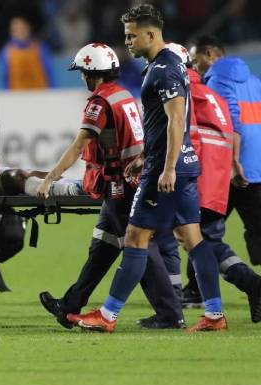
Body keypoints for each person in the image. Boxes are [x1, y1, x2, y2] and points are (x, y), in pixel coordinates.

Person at [67, 4, 226, 333]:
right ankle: (214, 313)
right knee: (192, 238)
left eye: (131, 35)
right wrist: (147, 157)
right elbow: (164, 123)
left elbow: (177, 117)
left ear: (151, 34)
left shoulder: (164, 70)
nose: (127, 42)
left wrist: (164, 166)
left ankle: (107, 316)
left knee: (136, 237)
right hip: (180, 164)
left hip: (167, 170)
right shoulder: (170, 64)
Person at [35, 43, 184, 330]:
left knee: (139, 244)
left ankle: (170, 313)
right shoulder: (124, 94)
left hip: (120, 185)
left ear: (92, 73)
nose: (82, 78)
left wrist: (50, 177)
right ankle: (69, 306)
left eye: (82, 72)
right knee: (103, 245)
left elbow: (80, 144)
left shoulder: (99, 103)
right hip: (127, 181)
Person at [153, 43, 261, 322]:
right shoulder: (217, 92)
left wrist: (169, 169)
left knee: (165, 234)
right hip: (225, 177)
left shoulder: (183, 92)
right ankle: (229, 293)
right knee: (208, 241)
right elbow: (228, 127)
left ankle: (173, 304)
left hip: (201, 177)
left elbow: (184, 135)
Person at [190, 36, 261, 268]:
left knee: (201, 232)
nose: (194, 66)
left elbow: (231, 121)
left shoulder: (216, 81)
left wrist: (233, 162)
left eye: (195, 59)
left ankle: (196, 290)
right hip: (257, 169)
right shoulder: (254, 81)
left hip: (229, 169)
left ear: (210, 54)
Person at [0, 16, 55, 90]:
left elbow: (50, 73)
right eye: (16, 30)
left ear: (28, 29)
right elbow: (3, 78)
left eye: (22, 29)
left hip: (40, 94)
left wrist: (52, 92)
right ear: (11, 32)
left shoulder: (40, 49)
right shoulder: (5, 53)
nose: (20, 32)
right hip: (17, 96)